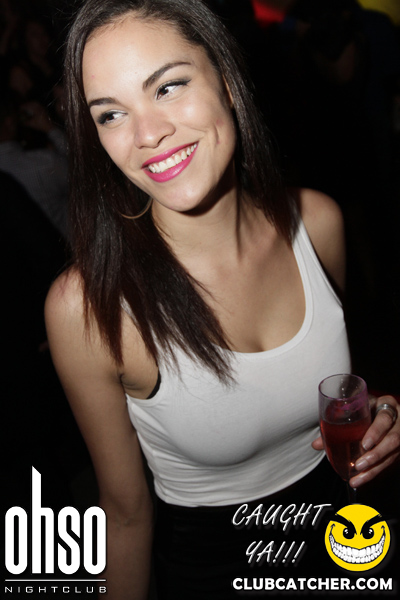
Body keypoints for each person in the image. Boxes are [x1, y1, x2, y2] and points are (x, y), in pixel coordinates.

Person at [45, 1, 400, 598]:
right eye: (111, 114)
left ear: (229, 82)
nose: (147, 134)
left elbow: (338, 389)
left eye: (168, 86)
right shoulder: (92, 308)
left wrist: (382, 414)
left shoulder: (316, 223)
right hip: (213, 570)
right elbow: (125, 515)